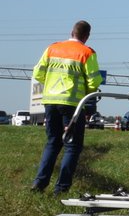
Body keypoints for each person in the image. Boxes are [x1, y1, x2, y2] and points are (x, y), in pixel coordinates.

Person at [32, 20, 103, 194]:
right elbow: (94, 81)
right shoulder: (87, 52)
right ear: (86, 36)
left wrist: (51, 86)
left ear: (72, 32)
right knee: (72, 146)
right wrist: (87, 91)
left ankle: (39, 184)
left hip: (50, 101)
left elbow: (38, 73)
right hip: (73, 104)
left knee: (53, 142)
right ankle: (61, 188)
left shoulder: (52, 48)